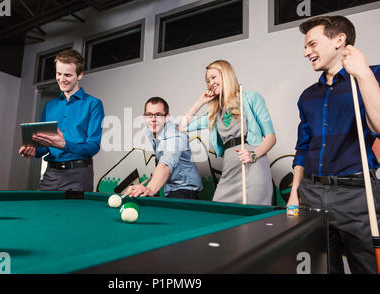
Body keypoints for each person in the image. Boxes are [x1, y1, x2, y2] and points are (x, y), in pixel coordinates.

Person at [286, 15, 380, 274]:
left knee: (367, 268)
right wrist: (295, 192)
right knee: (320, 267)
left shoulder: (374, 75)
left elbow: (379, 126)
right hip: (311, 193)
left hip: (357, 195)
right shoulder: (308, 96)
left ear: (340, 40)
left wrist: (361, 73)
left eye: (312, 44)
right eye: (305, 47)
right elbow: (302, 148)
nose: (306, 53)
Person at [178, 60, 276, 205]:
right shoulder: (214, 113)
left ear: (226, 75)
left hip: (253, 166)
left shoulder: (251, 98)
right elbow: (182, 127)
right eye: (208, 80)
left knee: (253, 221)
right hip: (230, 168)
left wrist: (253, 154)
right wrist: (200, 102)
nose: (211, 82)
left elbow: (271, 137)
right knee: (220, 213)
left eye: (214, 77)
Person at [19, 49, 104, 191]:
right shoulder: (50, 106)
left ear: (80, 75)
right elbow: (44, 145)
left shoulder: (93, 104)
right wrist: (33, 151)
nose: (62, 79)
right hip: (51, 175)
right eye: (59, 74)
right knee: (43, 212)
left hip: (79, 175)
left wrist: (65, 145)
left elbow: (93, 146)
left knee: (75, 214)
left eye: (68, 75)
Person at [124, 97, 203, 199]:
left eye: (158, 115)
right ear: (144, 117)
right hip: (171, 188)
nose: (153, 119)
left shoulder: (176, 136)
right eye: (149, 115)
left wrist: (150, 189)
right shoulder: (151, 131)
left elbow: (165, 164)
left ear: (167, 117)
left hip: (185, 190)